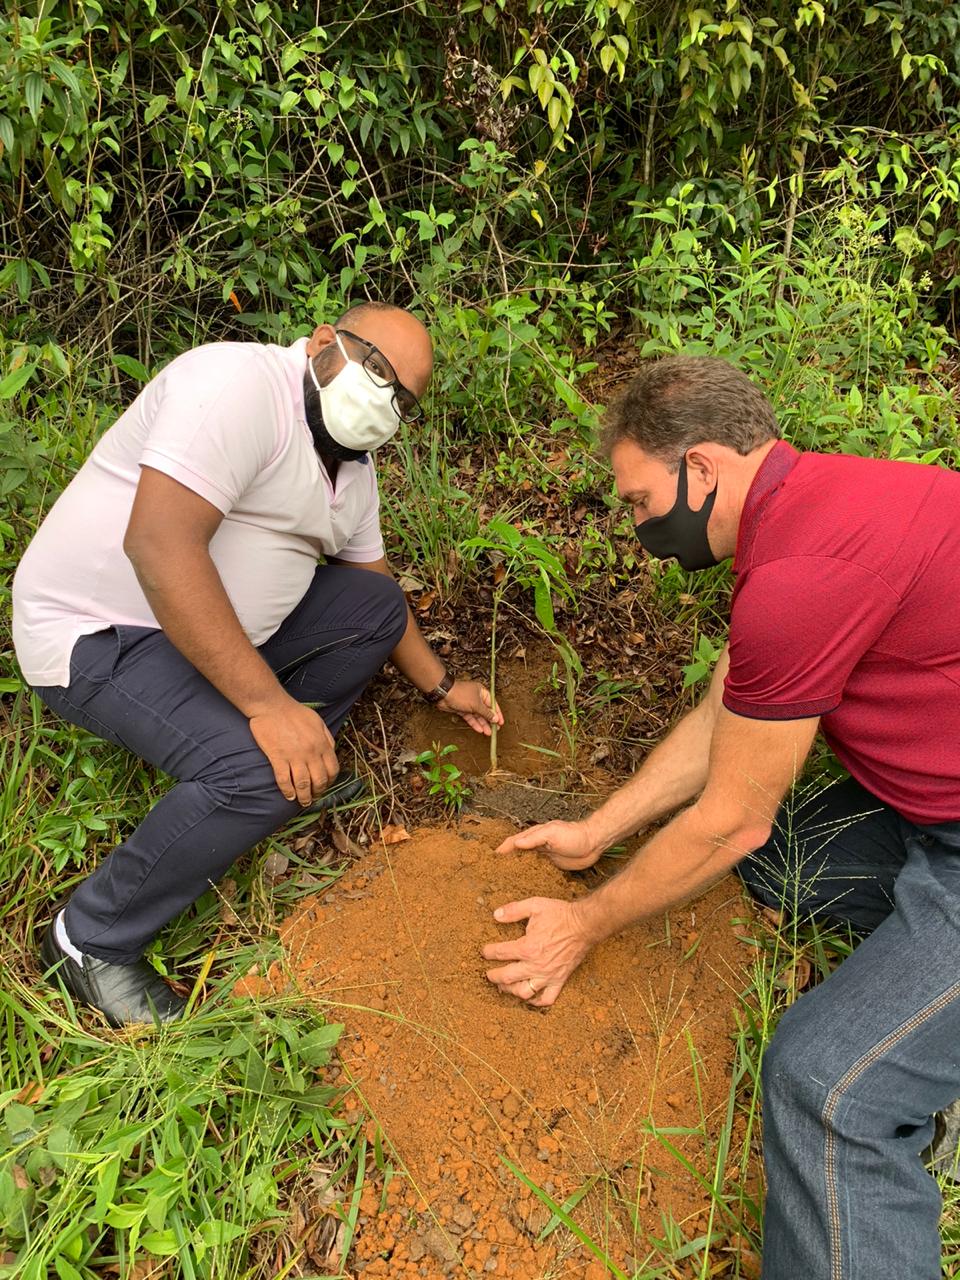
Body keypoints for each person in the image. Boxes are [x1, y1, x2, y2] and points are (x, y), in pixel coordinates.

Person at [482, 355, 960, 1280]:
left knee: (827, 1088)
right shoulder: (822, 502)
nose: (636, 527)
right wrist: (598, 832)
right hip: (927, 807)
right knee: (781, 864)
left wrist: (582, 925)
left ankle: (906, 1065)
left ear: (700, 468)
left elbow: (731, 817)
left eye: (635, 500)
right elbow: (724, 718)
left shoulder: (804, 574)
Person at [14, 300, 502, 1028]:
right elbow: (159, 545)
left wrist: (441, 687)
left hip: (209, 639)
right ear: (325, 343)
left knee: (370, 605)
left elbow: (380, 596)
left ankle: (283, 774)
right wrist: (271, 710)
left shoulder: (353, 475)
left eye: (401, 397)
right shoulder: (237, 387)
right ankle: (90, 936)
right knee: (255, 766)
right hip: (100, 634)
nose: (383, 399)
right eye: (375, 369)